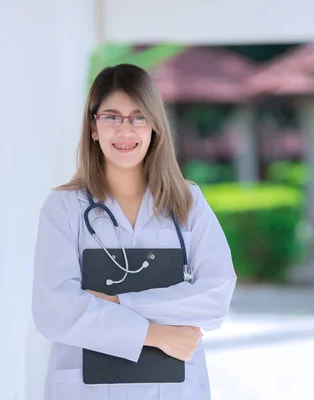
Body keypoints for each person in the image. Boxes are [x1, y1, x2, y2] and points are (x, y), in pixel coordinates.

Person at [32, 63, 237, 400]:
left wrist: (113, 300)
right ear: (94, 127)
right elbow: (53, 311)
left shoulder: (188, 203)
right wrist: (154, 334)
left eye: (138, 117)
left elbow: (215, 298)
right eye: (111, 117)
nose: (125, 130)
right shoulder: (64, 208)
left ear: (154, 126)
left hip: (172, 390)